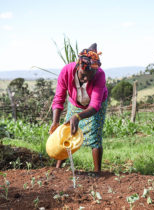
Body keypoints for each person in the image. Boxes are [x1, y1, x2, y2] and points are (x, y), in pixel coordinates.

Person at [49, 43, 108, 174]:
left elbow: (95, 106)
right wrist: (55, 122)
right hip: (75, 104)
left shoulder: (100, 75)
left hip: (94, 107)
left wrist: (78, 117)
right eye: (83, 75)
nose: (86, 78)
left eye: (90, 75)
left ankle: (97, 172)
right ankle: (57, 170)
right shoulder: (67, 71)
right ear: (77, 67)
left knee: (94, 135)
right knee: (67, 133)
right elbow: (59, 98)